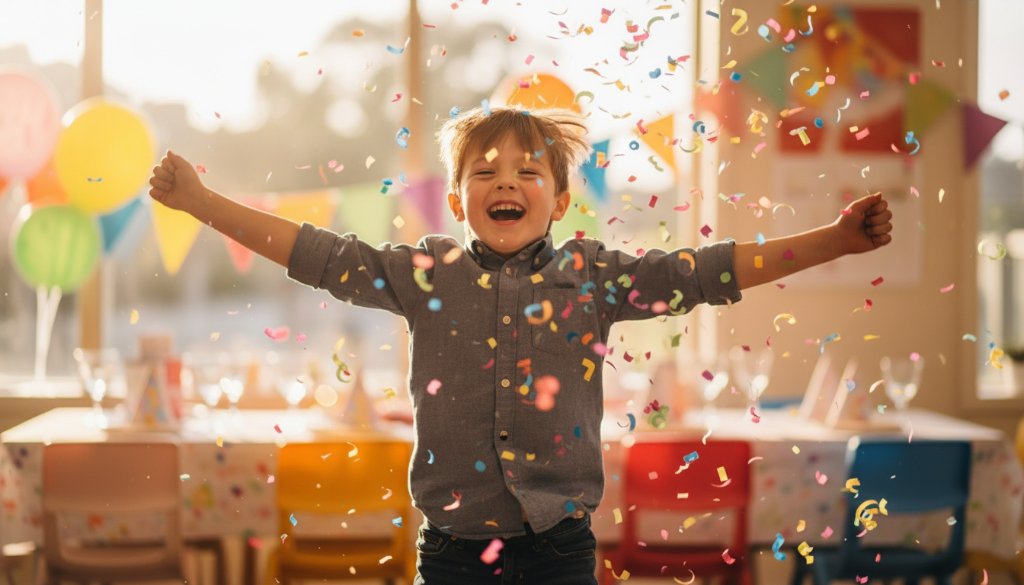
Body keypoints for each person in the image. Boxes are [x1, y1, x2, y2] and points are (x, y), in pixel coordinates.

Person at [148, 106, 893, 584]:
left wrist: (834, 240)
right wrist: (200, 202)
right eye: (486, 171)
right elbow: (317, 252)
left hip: (559, 551)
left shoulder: (595, 277)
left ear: (561, 200)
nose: (506, 180)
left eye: (527, 170)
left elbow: (705, 272)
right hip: (450, 551)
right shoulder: (423, 273)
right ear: (456, 197)